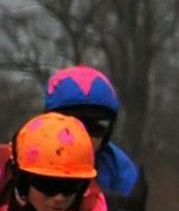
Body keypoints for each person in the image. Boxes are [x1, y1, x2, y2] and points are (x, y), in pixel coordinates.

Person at [43, 65, 144, 201]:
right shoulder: (22, 161)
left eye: (97, 126)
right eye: (73, 126)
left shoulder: (120, 173)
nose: (84, 137)